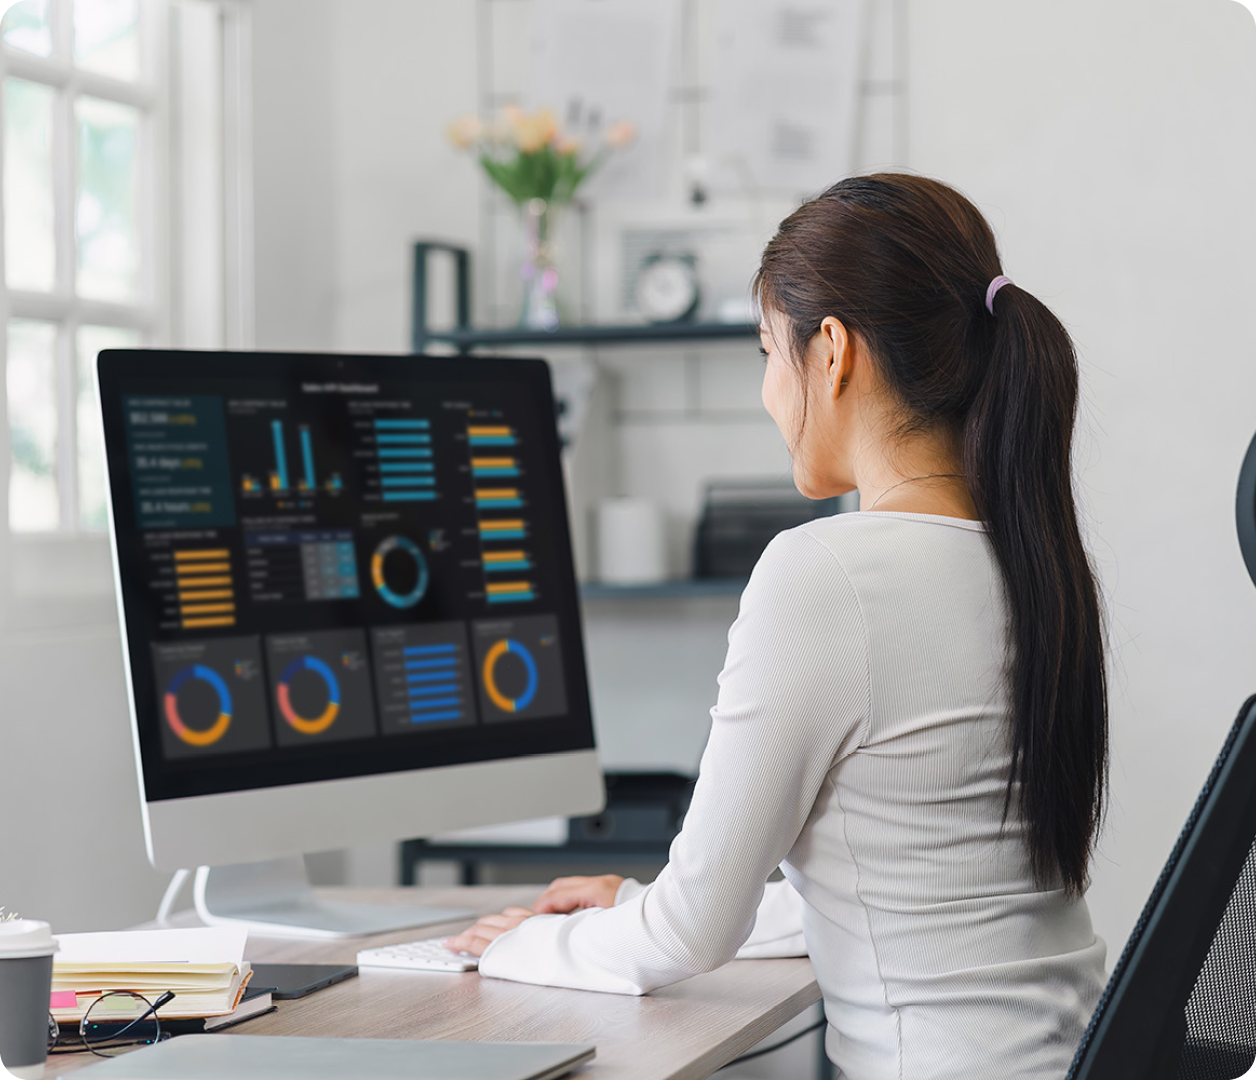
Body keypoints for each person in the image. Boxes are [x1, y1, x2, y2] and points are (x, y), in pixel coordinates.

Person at [443, 173, 1110, 1079]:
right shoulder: (1025, 558)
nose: (768, 391)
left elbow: (690, 931)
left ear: (831, 352)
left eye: (767, 350)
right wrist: (629, 907)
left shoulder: (826, 572)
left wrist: (512, 947)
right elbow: (904, 891)